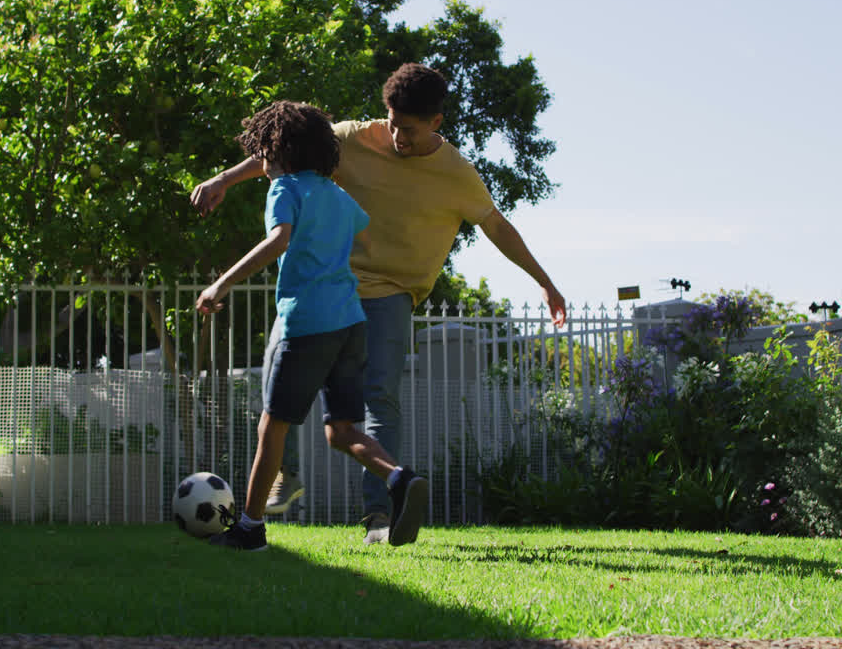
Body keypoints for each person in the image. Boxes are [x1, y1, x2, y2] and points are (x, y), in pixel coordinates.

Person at [191, 64, 566, 544]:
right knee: (291, 389)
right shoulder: (349, 137)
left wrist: (545, 281)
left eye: (408, 128)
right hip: (334, 291)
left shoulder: (456, 174)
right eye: (391, 122)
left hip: (387, 293)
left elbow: (497, 227)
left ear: (436, 123)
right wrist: (226, 178)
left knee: (376, 400)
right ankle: (287, 475)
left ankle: (380, 516)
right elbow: (284, 146)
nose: (396, 135)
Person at [195, 100, 429, 551]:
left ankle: (249, 528)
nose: (260, 161)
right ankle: (400, 477)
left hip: (307, 323)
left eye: (263, 150)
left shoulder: (285, 189)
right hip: (350, 323)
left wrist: (220, 285)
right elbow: (358, 225)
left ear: (277, 150)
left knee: (272, 428)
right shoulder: (339, 197)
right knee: (341, 431)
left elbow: (278, 240)